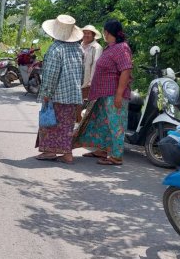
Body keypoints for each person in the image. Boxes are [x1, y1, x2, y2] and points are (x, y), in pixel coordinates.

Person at [75, 19, 133, 166]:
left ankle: (116, 156)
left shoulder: (122, 48)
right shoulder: (111, 47)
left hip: (114, 94)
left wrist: (119, 94)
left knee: (116, 124)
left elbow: (126, 70)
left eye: (104, 31)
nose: (104, 34)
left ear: (107, 32)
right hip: (103, 94)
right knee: (101, 124)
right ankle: (102, 149)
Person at [34, 14, 85, 164]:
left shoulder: (55, 49)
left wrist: (46, 94)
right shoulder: (78, 48)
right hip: (73, 93)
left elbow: (51, 74)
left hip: (57, 94)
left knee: (50, 123)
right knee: (66, 126)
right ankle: (66, 153)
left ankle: (50, 152)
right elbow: (81, 73)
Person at [77, 25, 103, 122]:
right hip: (78, 82)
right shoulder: (80, 45)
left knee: (85, 110)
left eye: (89, 33)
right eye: (84, 33)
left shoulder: (97, 48)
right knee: (77, 109)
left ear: (93, 35)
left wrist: (91, 83)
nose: (86, 35)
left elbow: (96, 65)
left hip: (88, 83)